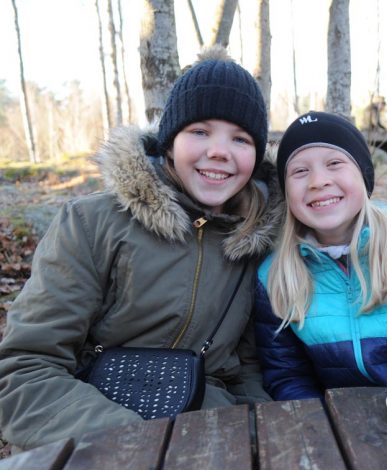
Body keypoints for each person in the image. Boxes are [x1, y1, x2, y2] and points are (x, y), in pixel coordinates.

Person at [0, 46, 284, 450]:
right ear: (169, 143)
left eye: (240, 138)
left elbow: (246, 371)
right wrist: (137, 443)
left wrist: (254, 437)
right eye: (200, 131)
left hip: (205, 436)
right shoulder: (90, 223)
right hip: (87, 433)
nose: (219, 150)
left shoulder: (254, 242)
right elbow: (24, 370)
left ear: (255, 157)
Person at [254, 111, 387, 400]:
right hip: (331, 428)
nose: (318, 181)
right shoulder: (273, 278)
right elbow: (287, 375)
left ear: (363, 175)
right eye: (300, 171)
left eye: (334, 163)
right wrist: (323, 426)